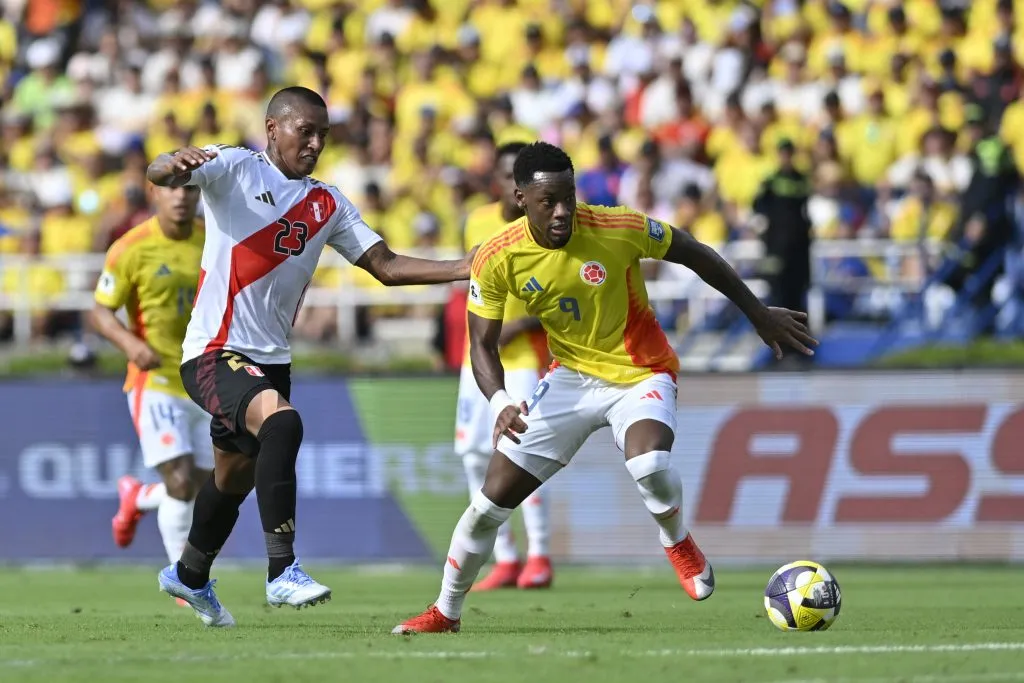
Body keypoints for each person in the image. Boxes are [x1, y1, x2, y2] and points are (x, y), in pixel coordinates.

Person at [393, 142, 816, 634]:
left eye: (568, 197)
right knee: (487, 507)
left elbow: (695, 253)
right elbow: (481, 345)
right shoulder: (497, 255)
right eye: (548, 201)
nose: (562, 211)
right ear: (521, 198)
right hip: (569, 378)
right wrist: (502, 401)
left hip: (640, 371)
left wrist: (757, 314)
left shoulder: (618, 227)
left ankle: (676, 539)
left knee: (648, 463)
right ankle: (445, 611)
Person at [146, 86, 475, 628]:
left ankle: (190, 573)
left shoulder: (328, 203)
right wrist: (169, 162)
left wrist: (463, 266)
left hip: (272, 361)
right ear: (272, 128)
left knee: (232, 479)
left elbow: (386, 265)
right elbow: (162, 173)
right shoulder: (234, 167)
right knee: (283, 424)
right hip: (214, 350)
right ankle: (282, 570)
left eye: (324, 134)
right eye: (306, 131)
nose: (317, 143)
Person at [93, 183, 210, 574]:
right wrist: (130, 344)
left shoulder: (213, 240)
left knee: (204, 487)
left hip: (203, 379)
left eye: (190, 189)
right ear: (154, 194)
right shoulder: (131, 247)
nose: (181, 197)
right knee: (180, 481)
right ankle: (185, 579)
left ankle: (140, 496)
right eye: (171, 188)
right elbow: (101, 311)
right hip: (155, 377)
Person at [456, 141, 553, 591]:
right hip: (477, 360)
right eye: (503, 174)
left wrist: (522, 324)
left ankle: (540, 555)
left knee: (524, 455)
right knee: (475, 456)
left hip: (522, 361)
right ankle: (506, 558)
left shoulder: (546, 228)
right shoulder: (476, 221)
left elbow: (561, 296)